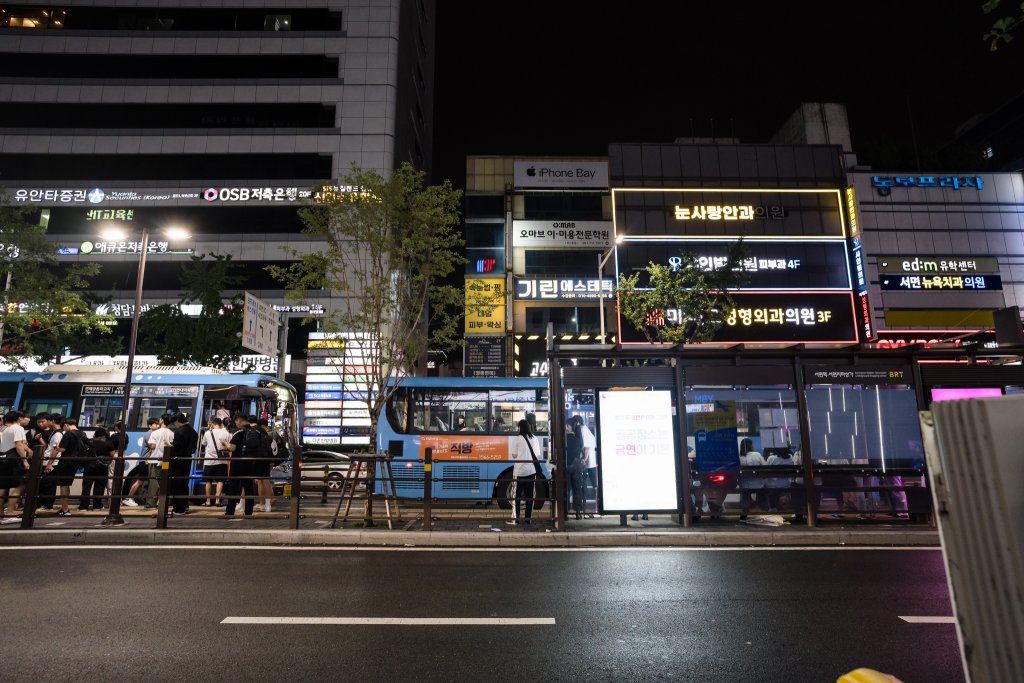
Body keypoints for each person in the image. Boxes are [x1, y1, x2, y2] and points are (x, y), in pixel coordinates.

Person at [507, 418, 543, 525]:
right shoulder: (535, 438)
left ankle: (516, 519)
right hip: (531, 471)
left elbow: (514, 455)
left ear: (520, 428)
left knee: (516, 496)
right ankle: (528, 519)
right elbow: (537, 454)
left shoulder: (517, 439)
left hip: (519, 472)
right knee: (530, 496)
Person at [223, 414, 261, 518]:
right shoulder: (256, 432)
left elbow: (233, 448)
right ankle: (249, 513)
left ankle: (230, 513)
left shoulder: (238, 432)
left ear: (239, 421)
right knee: (249, 489)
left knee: (233, 488)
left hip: (237, 464)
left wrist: (226, 445)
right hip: (250, 464)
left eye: (236, 422)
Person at [0, 411, 32, 524]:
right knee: (21, 485)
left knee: (3, 487)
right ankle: (9, 513)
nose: (26, 419)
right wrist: (24, 460)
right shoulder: (18, 428)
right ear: (19, 418)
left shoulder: (4, 429)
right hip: (14, 460)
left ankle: (1, 515)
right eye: (24, 417)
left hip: (3, 459)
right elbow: (18, 445)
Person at [51, 418, 86, 516]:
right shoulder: (82, 433)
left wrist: (56, 448)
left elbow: (62, 449)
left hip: (66, 462)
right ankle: (64, 509)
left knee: (64, 485)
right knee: (67, 484)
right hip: (76, 462)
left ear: (66, 425)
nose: (63, 430)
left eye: (63, 427)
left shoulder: (68, 434)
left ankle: (65, 510)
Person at [124, 418, 160, 507]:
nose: (157, 425)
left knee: (146, 480)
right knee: (140, 481)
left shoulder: (152, 434)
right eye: (155, 424)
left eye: (157, 423)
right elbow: (152, 446)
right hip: (145, 461)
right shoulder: (149, 434)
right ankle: (128, 498)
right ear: (150, 425)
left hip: (148, 460)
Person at [144, 414, 175, 509]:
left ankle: (151, 503)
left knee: (153, 483)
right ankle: (164, 502)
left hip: (155, 460)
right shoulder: (171, 433)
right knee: (164, 481)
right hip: (166, 461)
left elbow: (152, 446)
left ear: (161, 420)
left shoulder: (155, 433)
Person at [169, 413, 197, 515]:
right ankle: (185, 506)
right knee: (184, 482)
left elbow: (177, 447)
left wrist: (170, 445)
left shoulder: (179, 431)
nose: (174, 426)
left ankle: (179, 508)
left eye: (174, 424)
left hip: (178, 460)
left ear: (178, 421)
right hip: (188, 458)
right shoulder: (193, 431)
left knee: (177, 484)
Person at [80, 426, 113, 511]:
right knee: (99, 487)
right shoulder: (108, 442)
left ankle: (83, 506)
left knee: (86, 487)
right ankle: (97, 506)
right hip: (101, 467)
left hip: (89, 467)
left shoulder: (90, 441)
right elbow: (112, 454)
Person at [201, 417, 231, 506]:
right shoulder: (225, 432)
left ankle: (208, 501)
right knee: (220, 480)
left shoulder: (207, 433)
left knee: (208, 481)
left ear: (213, 424)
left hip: (209, 461)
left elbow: (204, 444)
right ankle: (217, 501)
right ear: (221, 423)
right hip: (222, 461)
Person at [738, 438, 766, 520]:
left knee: (744, 490)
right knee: (763, 487)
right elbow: (765, 466)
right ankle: (762, 507)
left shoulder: (740, 457)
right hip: (759, 485)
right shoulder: (757, 455)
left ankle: (744, 510)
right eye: (752, 444)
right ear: (750, 445)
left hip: (745, 485)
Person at [34, 413, 58, 510]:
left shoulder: (53, 433)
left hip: (46, 460)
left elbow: (49, 448)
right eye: (38, 422)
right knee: (39, 483)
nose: (40, 424)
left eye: (42, 421)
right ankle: (38, 503)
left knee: (48, 483)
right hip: (38, 461)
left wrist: (40, 439)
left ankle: (46, 504)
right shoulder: (34, 431)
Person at [565, 419, 587, 520]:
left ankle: (564, 513)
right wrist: (583, 459)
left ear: (571, 427)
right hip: (577, 466)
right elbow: (583, 450)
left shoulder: (566, 438)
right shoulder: (579, 439)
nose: (566, 427)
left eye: (567, 426)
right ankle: (578, 513)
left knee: (566, 489)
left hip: (567, 466)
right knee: (577, 491)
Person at [578, 415, 599, 517]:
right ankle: (593, 510)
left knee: (585, 487)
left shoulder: (583, 431)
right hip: (591, 463)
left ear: (577, 423)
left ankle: (588, 511)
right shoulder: (586, 430)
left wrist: (584, 459)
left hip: (588, 464)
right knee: (594, 486)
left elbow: (586, 447)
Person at [254, 419, 276, 512]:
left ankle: (263, 503)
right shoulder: (272, 433)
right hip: (269, 459)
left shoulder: (261, 433)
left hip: (261, 460)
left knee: (262, 481)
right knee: (265, 480)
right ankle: (268, 502)